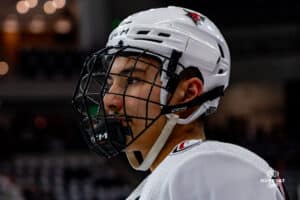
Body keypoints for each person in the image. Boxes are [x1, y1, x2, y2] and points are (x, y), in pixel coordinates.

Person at [72, 6, 288, 200]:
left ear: (188, 93)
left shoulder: (206, 168)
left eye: (132, 80)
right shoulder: (166, 178)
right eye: (110, 83)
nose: (109, 99)